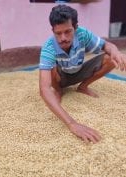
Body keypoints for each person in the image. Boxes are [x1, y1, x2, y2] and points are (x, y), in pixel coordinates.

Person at [39, 5, 126, 144]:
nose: (63, 38)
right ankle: (59, 90)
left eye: (68, 31)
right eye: (58, 33)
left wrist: (115, 51)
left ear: (76, 27)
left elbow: (107, 45)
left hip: (79, 71)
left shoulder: (82, 34)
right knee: (49, 68)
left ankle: (83, 86)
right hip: (61, 78)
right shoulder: (48, 47)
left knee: (110, 58)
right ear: (53, 31)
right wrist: (72, 124)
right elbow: (44, 88)